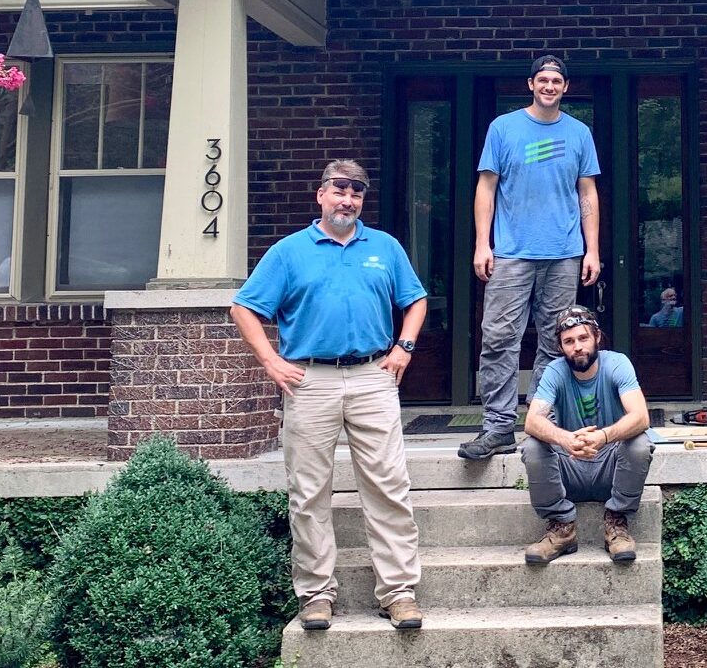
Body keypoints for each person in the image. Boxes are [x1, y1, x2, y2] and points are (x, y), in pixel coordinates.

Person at [228, 159, 427, 632]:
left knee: (388, 487)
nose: (348, 200)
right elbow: (243, 308)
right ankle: (316, 595)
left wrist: (404, 348)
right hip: (309, 380)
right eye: (339, 190)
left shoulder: (385, 247)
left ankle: (398, 592)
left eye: (356, 193)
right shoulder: (289, 252)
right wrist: (270, 361)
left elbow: (415, 300)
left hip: (373, 377)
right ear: (320, 195)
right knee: (309, 492)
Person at [458, 54, 602, 461]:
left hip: (564, 253)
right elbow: (486, 188)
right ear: (531, 84)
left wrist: (592, 249)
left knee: (557, 342)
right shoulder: (503, 128)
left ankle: (541, 423)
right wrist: (482, 243)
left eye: (556, 81)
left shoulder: (579, 133)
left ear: (565, 87)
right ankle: (498, 427)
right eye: (543, 80)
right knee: (499, 338)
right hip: (511, 253)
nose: (549, 86)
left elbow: (587, 193)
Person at [519, 305, 655, 565]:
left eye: (583, 338)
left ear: (597, 337)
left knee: (639, 443)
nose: (577, 347)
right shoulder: (554, 371)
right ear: (560, 347)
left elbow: (641, 416)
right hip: (569, 468)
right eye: (569, 341)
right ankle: (561, 528)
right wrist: (566, 439)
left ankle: (616, 523)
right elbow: (532, 421)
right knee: (533, 446)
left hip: (611, 469)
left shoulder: (617, 364)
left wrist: (603, 436)